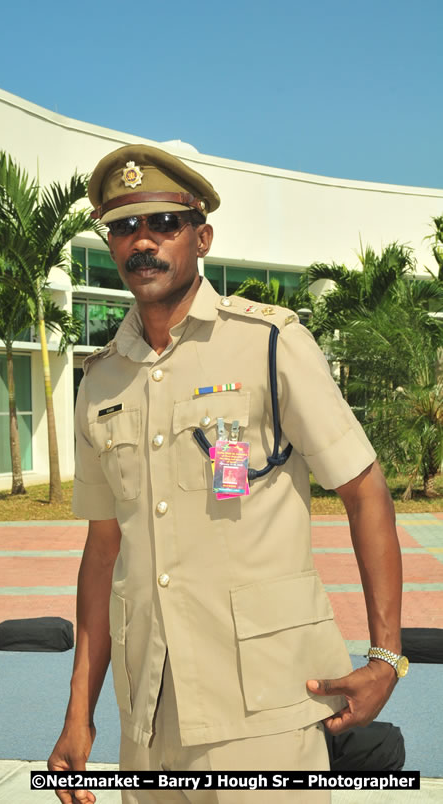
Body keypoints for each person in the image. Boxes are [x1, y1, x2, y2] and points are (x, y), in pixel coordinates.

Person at [48, 144, 406, 803]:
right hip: (149, 720)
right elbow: (105, 551)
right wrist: (79, 715)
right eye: (125, 227)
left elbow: (364, 489)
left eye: (163, 224)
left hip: (266, 708)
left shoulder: (269, 344)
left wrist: (386, 657)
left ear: (201, 236)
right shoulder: (101, 383)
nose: (142, 242)